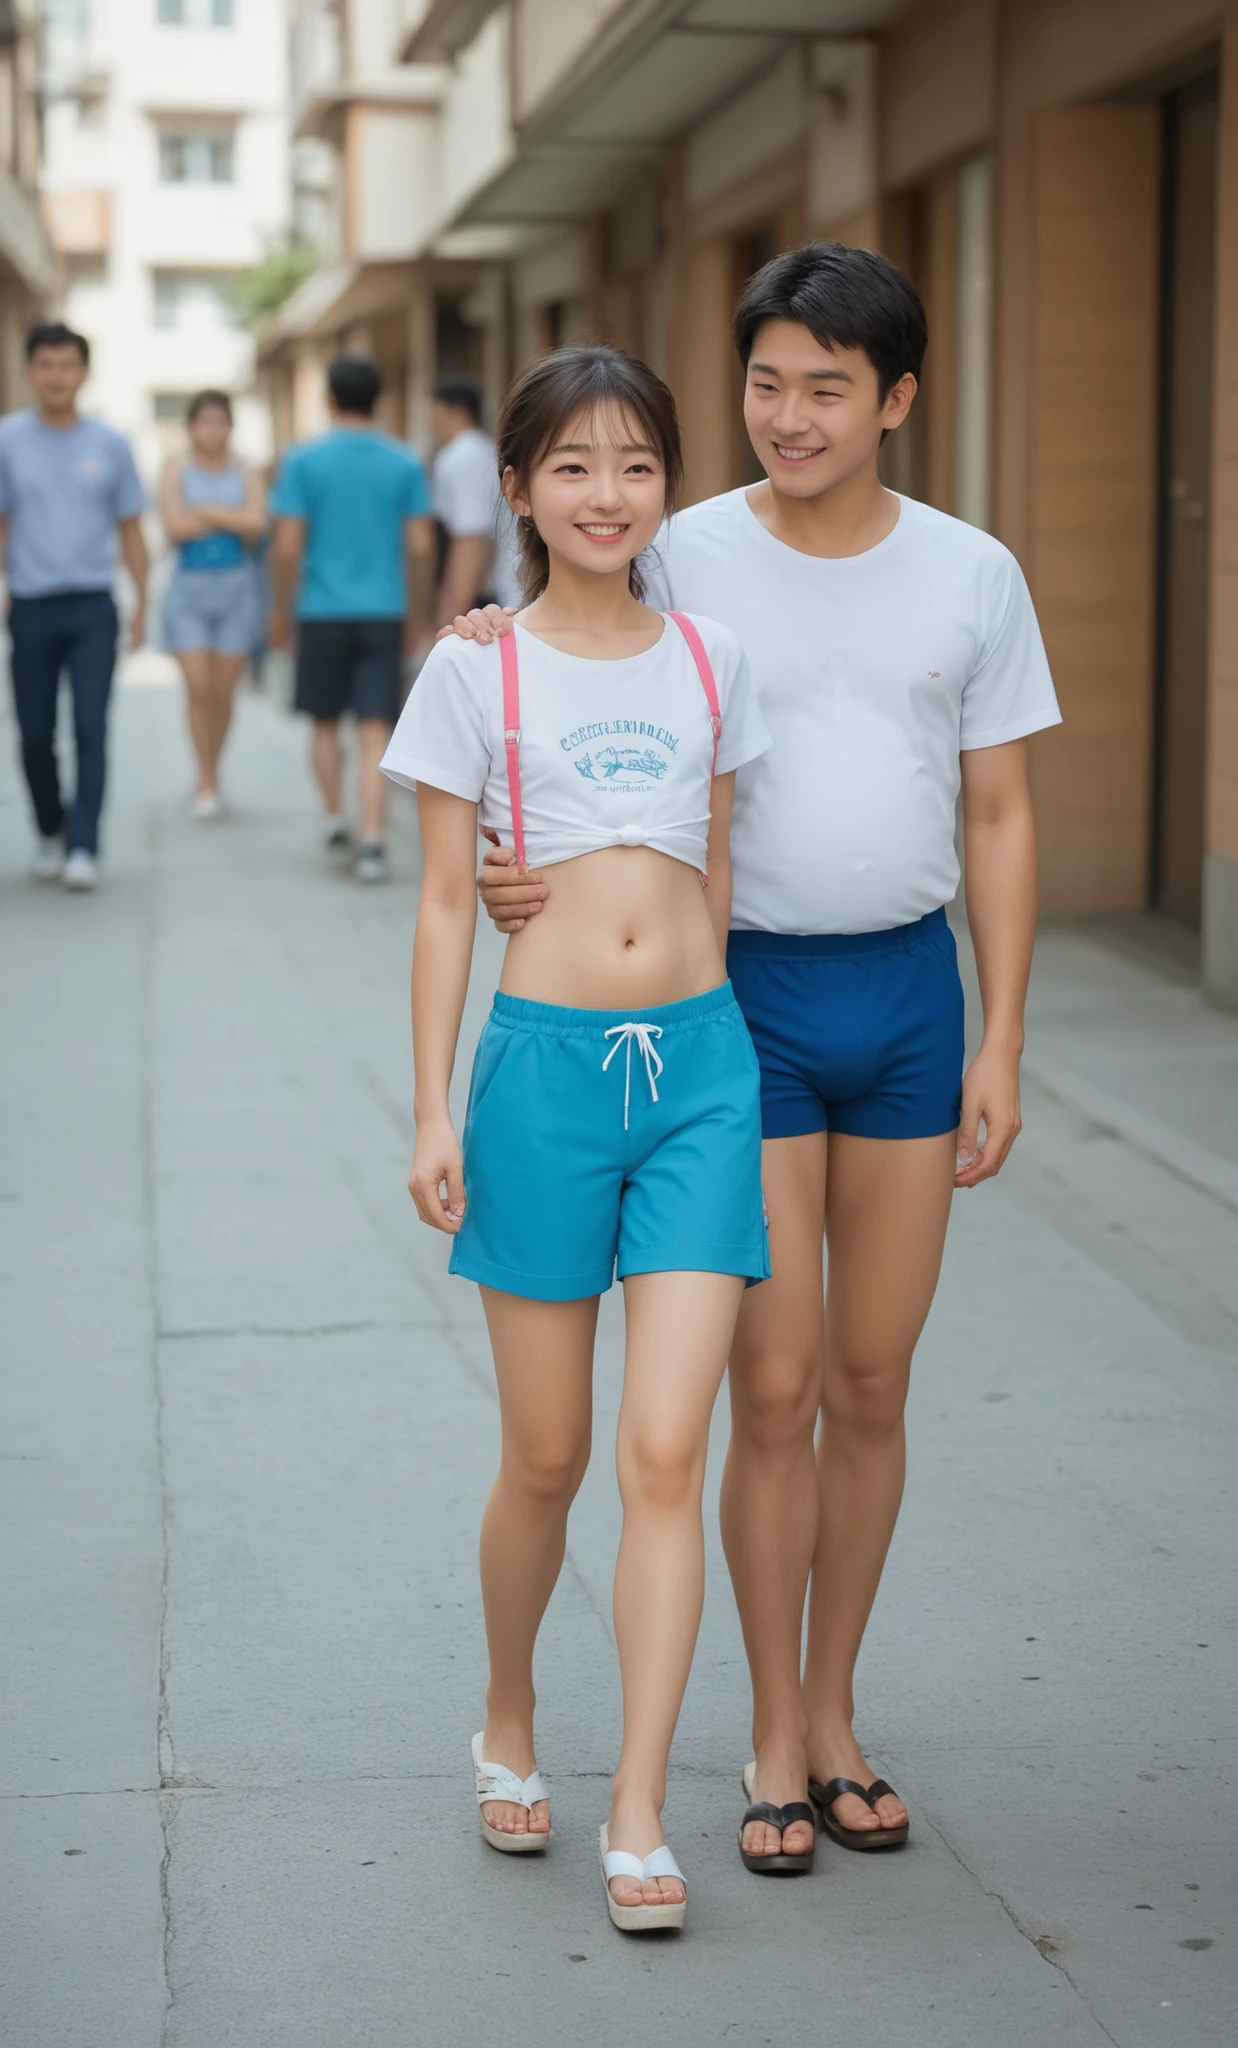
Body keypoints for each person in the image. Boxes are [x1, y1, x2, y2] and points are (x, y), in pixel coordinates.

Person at [453, 244, 1061, 1874]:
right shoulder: (683, 544)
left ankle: (836, 1702)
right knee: (772, 1386)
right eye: (767, 382)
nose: (789, 415)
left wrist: (1002, 1027)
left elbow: (999, 811)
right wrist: (518, 855)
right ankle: (769, 1728)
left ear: (899, 399)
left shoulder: (970, 572)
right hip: (747, 1013)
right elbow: (555, 672)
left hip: (912, 1000)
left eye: (827, 388)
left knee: (872, 1379)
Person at [383, 346, 771, 1933]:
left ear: (664, 484)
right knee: (545, 1459)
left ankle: (636, 1811)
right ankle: (510, 1716)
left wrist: (710, 1025)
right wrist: (429, 1104)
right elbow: (434, 901)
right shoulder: (477, 669)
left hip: (699, 1075)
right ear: (522, 488)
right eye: (573, 468)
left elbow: (720, 869)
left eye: (635, 466)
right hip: (541, 1079)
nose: (606, 495)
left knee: (667, 1452)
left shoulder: (712, 655)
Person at [269, 354, 433, 883]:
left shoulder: (303, 461)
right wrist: (418, 610)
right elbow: (421, 544)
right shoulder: (404, 461)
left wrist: (281, 608)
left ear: (330, 399)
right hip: (383, 610)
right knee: (373, 728)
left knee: (322, 722)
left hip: (320, 610)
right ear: (379, 399)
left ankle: (335, 816)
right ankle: (374, 841)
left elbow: (289, 546)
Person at [0, 320, 147, 891]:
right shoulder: (8, 439)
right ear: (29, 371)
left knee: (90, 726)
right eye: (46, 365)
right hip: (31, 605)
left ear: (83, 372)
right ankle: (49, 828)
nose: (57, 376)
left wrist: (139, 604)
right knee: (35, 732)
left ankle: (84, 844)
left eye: (67, 365)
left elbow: (132, 528)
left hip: (93, 606)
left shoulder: (110, 444)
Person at [159, 389, 267, 818]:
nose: (213, 430)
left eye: (221, 422)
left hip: (237, 591)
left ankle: (214, 771)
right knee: (198, 686)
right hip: (188, 591)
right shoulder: (175, 467)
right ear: (191, 426)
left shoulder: (247, 469)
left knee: (223, 691)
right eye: (205, 422)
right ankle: (204, 778)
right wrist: (229, 516)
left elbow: (256, 524)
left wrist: (203, 511)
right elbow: (172, 527)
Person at [428, 372, 520, 624]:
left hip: (496, 596)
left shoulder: (461, 457)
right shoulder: (483, 450)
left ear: (453, 410)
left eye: (433, 411)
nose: (431, 421)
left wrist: (453, 617)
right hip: (505, 586)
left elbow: (472, 537)